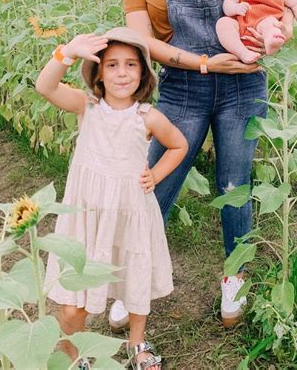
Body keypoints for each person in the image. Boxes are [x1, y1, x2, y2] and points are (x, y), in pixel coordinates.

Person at [115, 0, 294, 328]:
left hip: (241, 88)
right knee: (155, 182)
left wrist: (275, 32)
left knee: (234, 185)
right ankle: (130, 280)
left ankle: (233, 280)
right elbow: (142, 43)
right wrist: (201, 63)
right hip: (183, 89)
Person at [36, 28, 187, 370]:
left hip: (129, 210)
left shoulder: (147, 117)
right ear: (99, 73)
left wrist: (157, 174)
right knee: (74, 297)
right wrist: (68, 52)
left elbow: (179, 144)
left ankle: (137, 343)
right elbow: (45, 87)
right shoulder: (86, 106)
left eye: (131, 65)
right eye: (113, 65)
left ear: (144, 73)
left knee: (133, 275)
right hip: (86, 214)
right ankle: (74, 355)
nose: (122, 72)